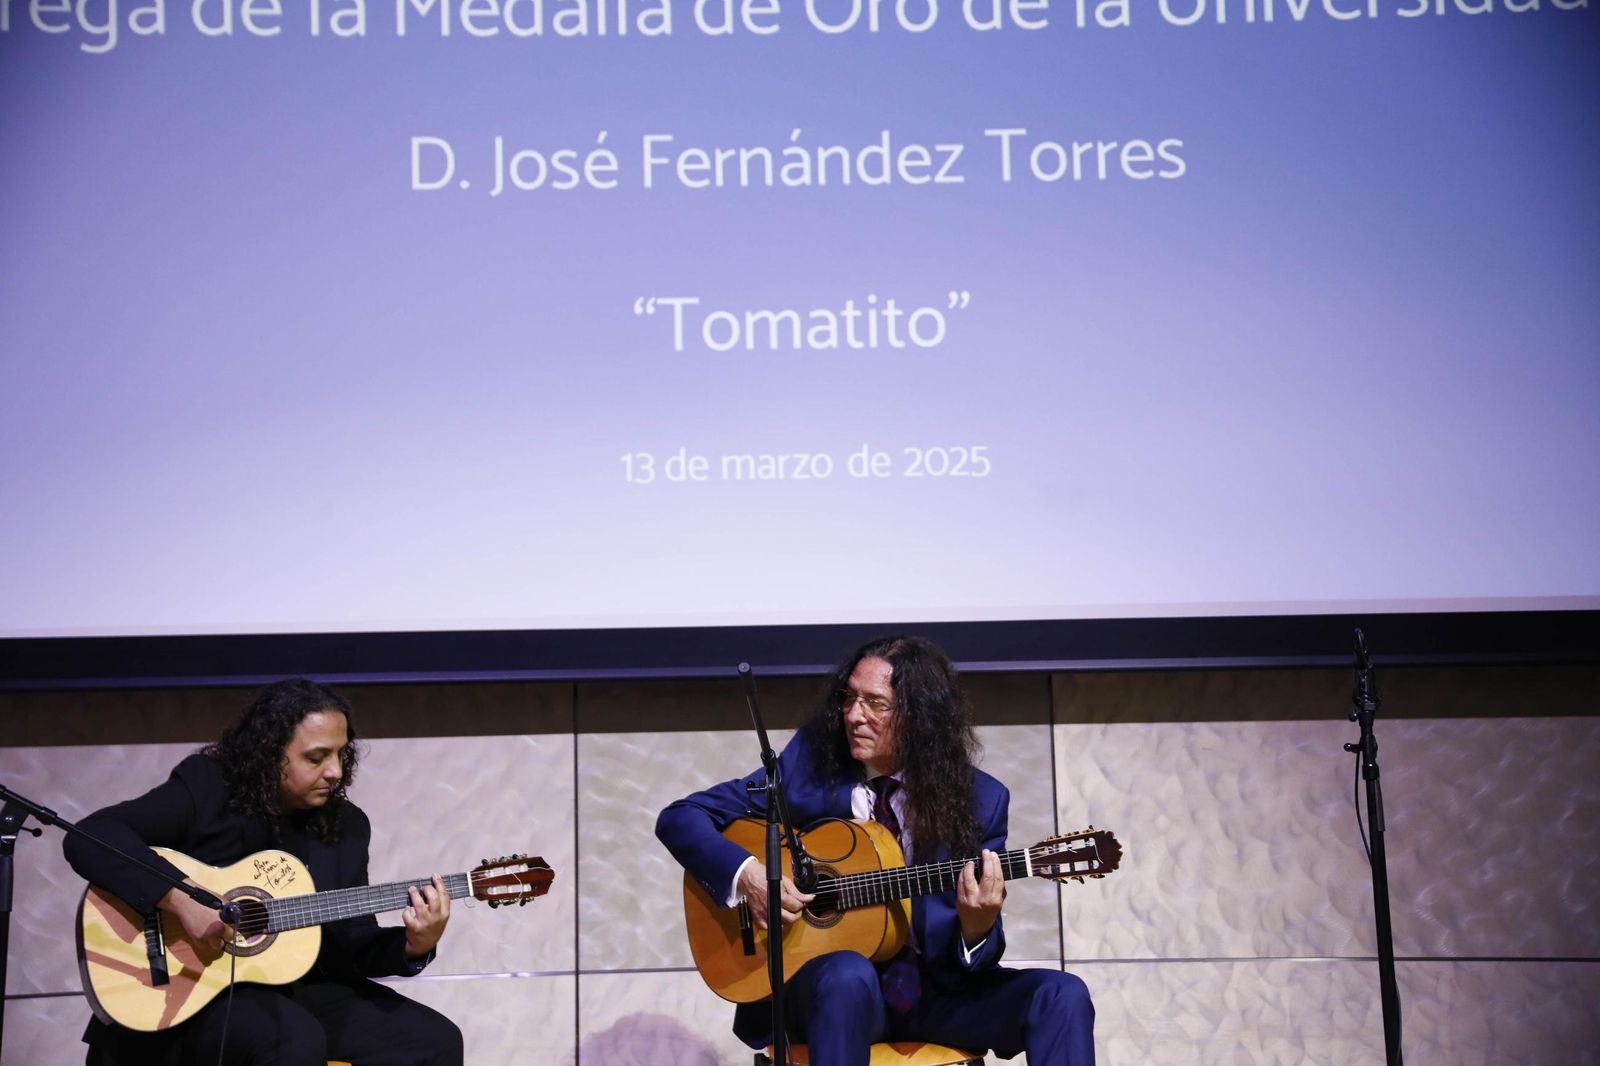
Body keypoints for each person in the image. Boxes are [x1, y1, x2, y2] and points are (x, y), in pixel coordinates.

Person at [656, 635, 1095, 1065]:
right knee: (848, 973)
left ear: (920, 717)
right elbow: (681, 817)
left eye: (875, 704)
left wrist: (976, 929)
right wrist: (747, 874)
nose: (853, 716)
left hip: (937, 996)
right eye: (849, 698)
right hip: (833, 998)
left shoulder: (980, 799)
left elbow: (975, 956)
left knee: (1062, 994)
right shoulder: (810, 768)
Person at [63, 678, 464, 1066]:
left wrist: (413, 945)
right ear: (270, 752)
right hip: (187, 992)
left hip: (290, 991)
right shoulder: (209, 788)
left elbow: (350, 945)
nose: (335, 771)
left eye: (341, 754)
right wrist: (182, 898)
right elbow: (91, 837)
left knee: (434, 1041)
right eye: (316, 756)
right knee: (291, 1038)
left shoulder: (346, 826)